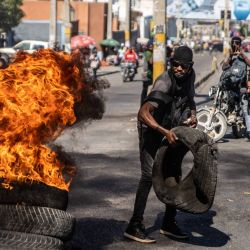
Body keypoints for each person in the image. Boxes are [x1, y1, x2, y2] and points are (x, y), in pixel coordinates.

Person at [124, 45, 197, 243]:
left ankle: (168, 222)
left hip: (171, 130)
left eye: (183, 66)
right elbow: (143, 113)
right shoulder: (164, 82)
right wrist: (164, 131)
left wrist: (193, 114)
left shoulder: (190, 77)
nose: (178, 69)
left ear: (190, 67)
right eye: (175, 64)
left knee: (174, 173)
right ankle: (134, 225)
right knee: (148, 176)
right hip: (152, 130)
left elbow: (190, 98)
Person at [222, 36, 250, 139]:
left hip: (241, 85)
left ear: (240, 44)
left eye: (237, 43)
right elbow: (223, 68)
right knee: (226, 104)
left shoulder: (244, 55)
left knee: (245, 107)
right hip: (230, 87)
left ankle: (249, 130)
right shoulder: (230, 56)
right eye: (233, 43)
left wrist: (243, 55)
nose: (235, 46)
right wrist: (229, 57)